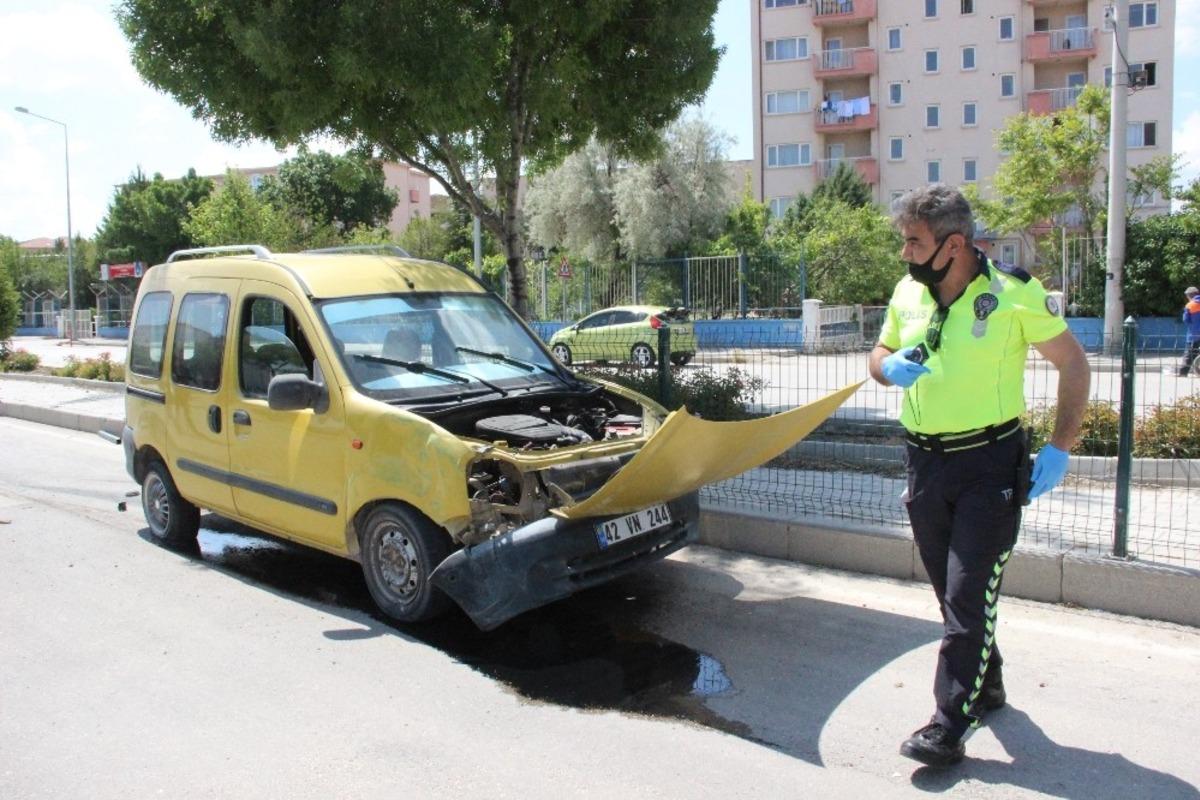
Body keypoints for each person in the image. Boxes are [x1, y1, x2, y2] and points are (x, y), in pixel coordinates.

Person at [868, 184, 1091, 768]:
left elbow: (1074, 363)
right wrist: (886, 369)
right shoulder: (907, 291)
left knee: (969, 596)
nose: (904, 253)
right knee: (952, 592)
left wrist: (1059, 447)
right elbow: (880, 350)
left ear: (954, 244)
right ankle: (986, 685)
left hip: (989, 465)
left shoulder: (1013, 294)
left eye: (913, 241)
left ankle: (948, 723)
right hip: (924, 463)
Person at [1178, 287, 1200, 377]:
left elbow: (1186, 319)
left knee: (1190, 354)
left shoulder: (1190, 305)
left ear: (1189, 296)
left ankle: (1183, 372)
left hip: (1194, 334)